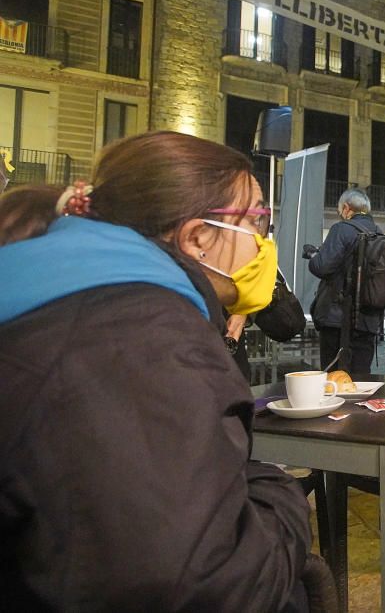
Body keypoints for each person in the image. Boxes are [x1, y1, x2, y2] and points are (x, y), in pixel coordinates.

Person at [0, 132, 312, 610]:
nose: (264, 243)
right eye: (257, 220)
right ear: (198, 236)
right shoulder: (142, 340)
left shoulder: (70, 296)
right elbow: (208, 584)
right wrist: (277, 490)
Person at [306, 187, 382, 374]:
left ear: (346, 208)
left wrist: (315, 255)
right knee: (361, 376)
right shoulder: (379, 233)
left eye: (340, 211)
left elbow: (321, 267)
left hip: (337, 319)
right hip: (368, 320)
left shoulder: (341, 229)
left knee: (334, 378)